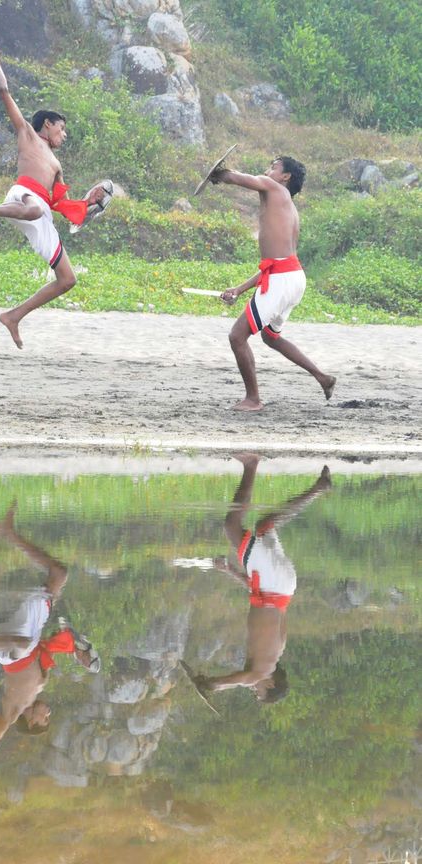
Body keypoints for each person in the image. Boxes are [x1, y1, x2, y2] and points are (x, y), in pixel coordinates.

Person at [0, 47, 111, 349]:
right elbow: (2, 90)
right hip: (22, 197)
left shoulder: (57, 166)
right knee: (35, 208)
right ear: (47, 124)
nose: (64, 135)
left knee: (67, 280)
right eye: (62, 128)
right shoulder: (28, 134)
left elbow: (62, 204)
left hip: (39, 211)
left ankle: (13, 316)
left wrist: (90, 203)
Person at [0, 501, 99, 795]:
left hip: (9, 652)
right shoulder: (40, 686)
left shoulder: (12, 712)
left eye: (43, 720)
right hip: (29, 640)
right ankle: (8, 533)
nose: (47, 714)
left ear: (29, 720)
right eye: (47, 718)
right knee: (59, 574)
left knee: (23, 645)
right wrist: (78, 653)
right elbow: (47, 649)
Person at [193, 454, 331, 703]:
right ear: (271, 683)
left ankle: (319, 489)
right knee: (231, 526)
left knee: (266, 525)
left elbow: (261, 598)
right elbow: (245, 679)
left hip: (280, 587)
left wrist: (230, 571)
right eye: (259, 692)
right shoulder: (264, 669)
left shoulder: (272, 652)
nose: (253, 689)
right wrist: (215, 685)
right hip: (273, 585)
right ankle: (251, 464)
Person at [210, 156, 336, 411]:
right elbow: (276, 263)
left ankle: (253, 399)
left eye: (274, 167)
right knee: (271, 337)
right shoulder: (290, 208)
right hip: (292, 277)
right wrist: (239, 289)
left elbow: (243, 179)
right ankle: (323, 378)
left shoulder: (273, 187)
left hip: (281, 280)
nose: (267, 170)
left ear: (285, 177)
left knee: (237, 337)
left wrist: (220, 175)